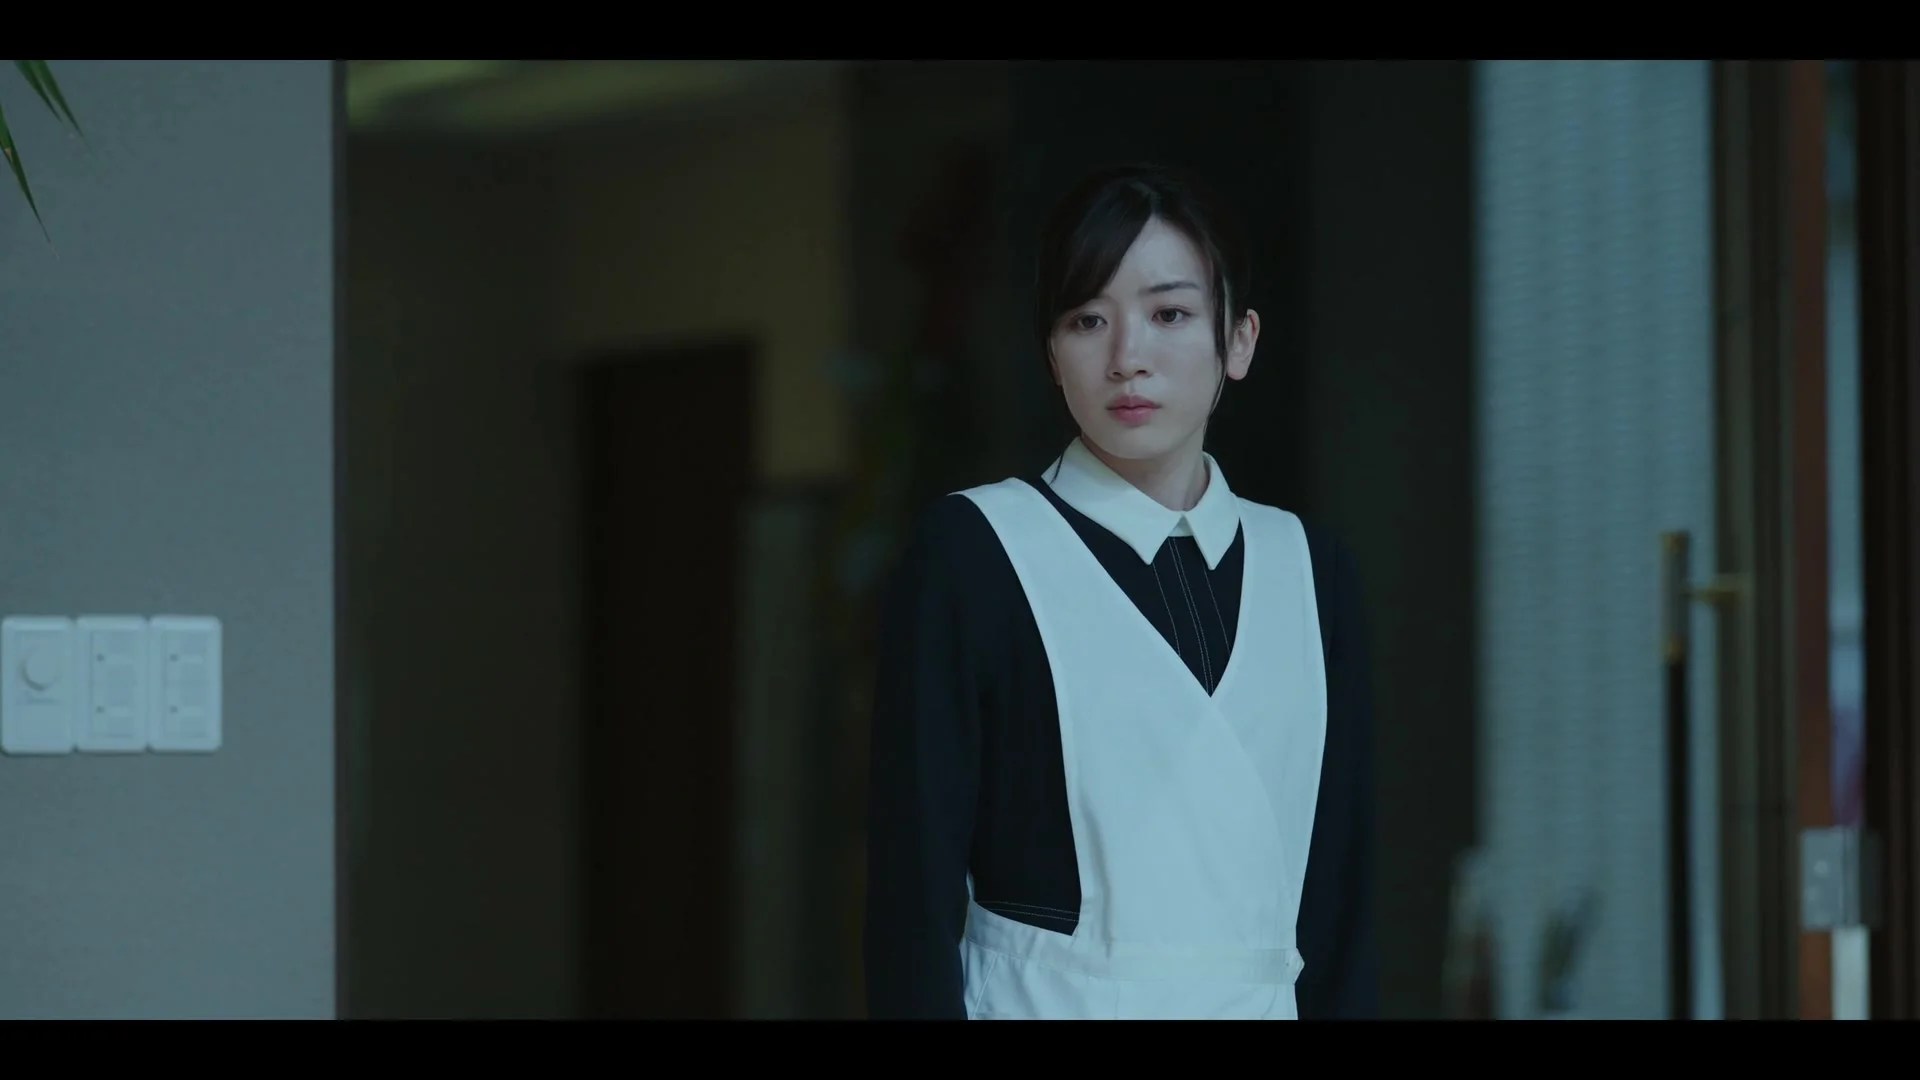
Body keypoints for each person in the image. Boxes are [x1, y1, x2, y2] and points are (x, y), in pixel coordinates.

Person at [863, 162, 1378, 1020]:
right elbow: (910, 895)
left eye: (1169, 314)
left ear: (1239, 340)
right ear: (1050, 353)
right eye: (1087, 319)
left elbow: (1341, 903)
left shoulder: (1311, 570)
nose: (1127, 359)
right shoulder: (978, 550)